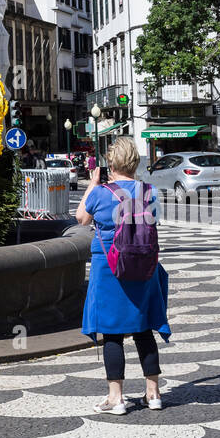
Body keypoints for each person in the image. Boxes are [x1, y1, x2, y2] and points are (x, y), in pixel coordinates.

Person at [76, 135, 169, 414]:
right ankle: (153, 393)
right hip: (144, 266)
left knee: (112, 331)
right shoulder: (149, 191)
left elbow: (81, 219)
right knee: (144, 327)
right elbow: (155, 222)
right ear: (135, 162)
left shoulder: (102, 193)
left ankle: (116, 399)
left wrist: (92, 184)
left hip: (109, 268)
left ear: (110, 163)